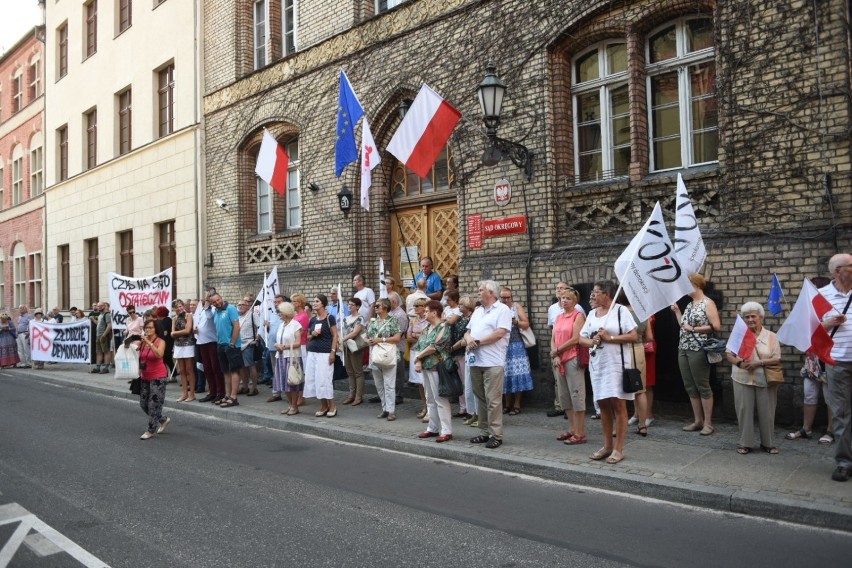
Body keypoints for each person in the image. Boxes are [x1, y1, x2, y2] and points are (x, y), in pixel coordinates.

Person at [579, 280, 638, 465]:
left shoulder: (621, 311)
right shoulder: (591, 314)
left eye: (597, 292)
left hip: (617, 365)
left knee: (618, 405)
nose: (593, 296)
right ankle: (606, 445)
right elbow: (581, 338)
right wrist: (592, 341)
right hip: (598, 366)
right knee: (603, 405)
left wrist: (609, 338)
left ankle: (618, 448)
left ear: (607, 294)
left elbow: (633, 336)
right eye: (593, 292)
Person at [725, 302, 782, 455]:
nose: (750, 319)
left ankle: (768, 443)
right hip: (741, 378)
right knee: (744, 411)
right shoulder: (739, 334)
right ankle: (745, 443)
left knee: (767, 412)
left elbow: (777, 358)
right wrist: (739, 362)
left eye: (753, 316)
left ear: (761, 317)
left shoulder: (772, 336)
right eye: (747, 317)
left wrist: (759, 362)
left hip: (765, 379)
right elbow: (729, 354)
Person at [671, 273, 721, 436]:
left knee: (702, 385)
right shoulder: (690, 304)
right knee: (690, 385)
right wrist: (678, 313)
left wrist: (694, 329)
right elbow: (683, 326)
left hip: (698, 348)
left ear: (696, 285)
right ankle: (697, 420)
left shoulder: (708, 303)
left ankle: (708, 423)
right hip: (683, 347)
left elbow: (716, 326)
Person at [465, 280, 512, 449]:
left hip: (493, 361)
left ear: (491, 293)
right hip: (476, 360)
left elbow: (499, 333)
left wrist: (478, 341)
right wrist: (469, 339)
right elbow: (468, 331)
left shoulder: (503, 310)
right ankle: (484, 432)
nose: (478, 292)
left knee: (493, 400)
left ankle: (496, 435)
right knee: (481, 398)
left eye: (480, 290)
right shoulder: (478, 311)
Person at [819, 253, 852, 482]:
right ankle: (844, 463)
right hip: (838, 361)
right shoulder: (822, 296)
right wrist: (827, 323)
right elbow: (809, 327)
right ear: (838, 271)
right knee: (841, 415)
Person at [414, 300, 454, 442]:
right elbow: (419, 346)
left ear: (434, 312)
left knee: (440, 399)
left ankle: (446, 430)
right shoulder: (425, 328)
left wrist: (418, 357)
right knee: (430, 398)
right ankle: (433, 428)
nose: (424, 313)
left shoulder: (443, 327)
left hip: (438, 367)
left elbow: (435, 346)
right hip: (425, 366)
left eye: (426, 311)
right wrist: (418, 360)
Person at [551, 287, 587, 444]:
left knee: (576, 395)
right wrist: (556, 354)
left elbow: (575, 339)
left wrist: (557, 351)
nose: (564, 301)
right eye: (562, 298)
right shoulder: (558, 317)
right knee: (564, 396)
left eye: (568, 298)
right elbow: (553, 337)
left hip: (573, 358)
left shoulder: (578, 316)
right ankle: (571, 429)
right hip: (559, 360)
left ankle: (580, 432)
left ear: (575, 301)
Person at [617, 292, 650, 436]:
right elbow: (650, 337)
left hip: (623, 350)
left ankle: (618, 427)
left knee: (620, 389)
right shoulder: (643, 312)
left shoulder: (619, 312)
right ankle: (642, 425)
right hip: (639, 350)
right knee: (640, 390)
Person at [499, 287, 534, 415]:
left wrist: (515, 321)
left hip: (516, 345)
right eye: (503, 297)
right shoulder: (497, 308)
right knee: (505, 375)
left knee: (518, 374)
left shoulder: (516, 307)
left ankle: (517, 404)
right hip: (501, 346)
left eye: (508, 297)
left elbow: (526, 324)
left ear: (511, 297)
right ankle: (507, 404)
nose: (505, 300)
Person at [367, 298, 402, 421]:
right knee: (379, 385)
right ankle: (385, 409)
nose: (375, 307)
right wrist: (368, 341)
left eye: (378, 306)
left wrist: (381, 340)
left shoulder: (393, 321)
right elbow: (367, 336)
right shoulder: (373, 321)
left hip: (388, 355)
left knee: (389, 384)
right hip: (375, 355)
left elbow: (397, 338)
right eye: (375, 305)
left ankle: (391, 410)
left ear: (385, 307)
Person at [306, 295, 339, 417]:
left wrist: (333, 351)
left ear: (323, 304)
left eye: (317, 301)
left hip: (325, 352)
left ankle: (332, 406)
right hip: (313, 352)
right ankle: (323, 406)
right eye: (313, 301)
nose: (314, 303)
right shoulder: (313, 320)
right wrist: (313, 334)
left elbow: (335, 335)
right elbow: (308, 336)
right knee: (316, 379)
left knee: (325, 379)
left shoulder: (330, 318)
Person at [138, 320, 172, 440]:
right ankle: (163, 419)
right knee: (143, 404)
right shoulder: (142, 342)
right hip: (145, 376)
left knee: (153, 405)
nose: (147, 330)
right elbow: (137, 354)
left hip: (158, 377)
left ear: (156, 329)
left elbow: (159, 355)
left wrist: (149, 342)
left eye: (150, 328)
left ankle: (150, 430)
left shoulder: (160, 341)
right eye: (146, 328)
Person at [211, 293, 242, 408]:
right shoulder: (216, 311)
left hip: (231, 345)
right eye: (214, 302)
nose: (217, 302)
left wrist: (232, 343)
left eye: (218, 300)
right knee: (225, 372)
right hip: (221, 344)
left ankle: (234, 397)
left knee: (234, 370)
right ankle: (227, 395)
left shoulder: (231, 309)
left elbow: (236, 326)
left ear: (221, 298)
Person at [274, 302, 303, 415]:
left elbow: (298, 343)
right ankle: (290, 405)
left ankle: (295, 406)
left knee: (292, 383)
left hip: (291, 357)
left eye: (280, 312)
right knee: (283, 383)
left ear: (286, 313)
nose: (279, 314)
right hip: (280, 356)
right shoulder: (281, 325)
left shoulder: (296, 325)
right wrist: (277, 345)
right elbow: (278, 340)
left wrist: (284, 347)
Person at [197, 293, 226, 403]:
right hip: (202, 342)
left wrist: (208, 306)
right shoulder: (201, 311)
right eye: (205, 299)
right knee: (207, 369)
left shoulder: (212, 309)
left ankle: (220, 392)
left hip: (212, 341)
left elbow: (210, 317)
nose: (206, 300)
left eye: (208, 299)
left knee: (215, 368)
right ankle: (212, 392)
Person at [340, 297, 367, 405]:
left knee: (358, 372)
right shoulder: (345, 318)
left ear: (357, 307)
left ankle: (359, 396)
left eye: (352, 305)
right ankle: (351, 395)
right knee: (350, 372)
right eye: (349, 304)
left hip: (356, 347)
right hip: (346, 347)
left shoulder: (360, 318)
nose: (349, 306)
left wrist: (342, 339)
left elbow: (355, 333)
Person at [171, 300, 197, 402]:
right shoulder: (174, 318)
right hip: (178, 345)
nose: (179, 308)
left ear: (183, 306)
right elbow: (171, 333)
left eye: (180, 306)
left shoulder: (189, 316)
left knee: (189, 369)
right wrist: (177, 333)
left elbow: (187, 330)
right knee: (181, 370)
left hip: (188, 344)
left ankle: (192, 394)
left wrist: (176, 333)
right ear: (174, 309)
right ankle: (184, 394)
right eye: (176, 307)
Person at [408, 298, 429, 419]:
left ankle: (430, 409)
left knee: (426, 381)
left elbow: (428, 337)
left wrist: (416, 335)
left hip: (425, 352)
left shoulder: (427, 320)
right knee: (419, 383)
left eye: (417, 306)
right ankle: (424, 406)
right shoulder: (413, 320)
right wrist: (418, 336)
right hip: (415, 351)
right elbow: (408, 337)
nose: (415, 308)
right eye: (414, 306)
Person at [237, 299, 261, 397]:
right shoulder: (238, 317)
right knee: (242, 367)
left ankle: (254, 387)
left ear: (247, 306)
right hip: (239, 344)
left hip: (249, 343)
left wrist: (257, 339)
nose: (241, 306)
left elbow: (260, 327)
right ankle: (245, 386)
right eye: (239, 305)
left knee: (250, 366)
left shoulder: (252, 315)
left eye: (243, 305)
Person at [388, 292, 409, 405]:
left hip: (397, 347)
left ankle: (399, 395)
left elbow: (399, 334)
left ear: (394, 302)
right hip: (388, 348)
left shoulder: (400, 315)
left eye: (388, 301)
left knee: (398, 373)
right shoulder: (390, 312)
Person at [263, 294, 286, 391]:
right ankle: (276, 392)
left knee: (285, 370)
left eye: (279, 302)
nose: (276, 304)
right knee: (275, 369)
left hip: (284, 347)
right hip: (273, 347)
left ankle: (287, 390)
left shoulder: (287, 315)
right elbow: (271, 331)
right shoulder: (272, 315)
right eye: (275, 302)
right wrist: (267, 327)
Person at [15, 304, 33, 369]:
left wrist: (29, 332)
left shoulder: (29, 316)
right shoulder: (19, 317)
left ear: (26, 309)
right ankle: (23, 363)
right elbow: (18, 325)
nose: (21, 309)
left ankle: (29, 363)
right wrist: (16, 332)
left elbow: (31, 325)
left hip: (25, 334)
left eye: (22, 308)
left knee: (26, 349)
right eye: (20, 308)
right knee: (20, 350)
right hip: (18, 334)